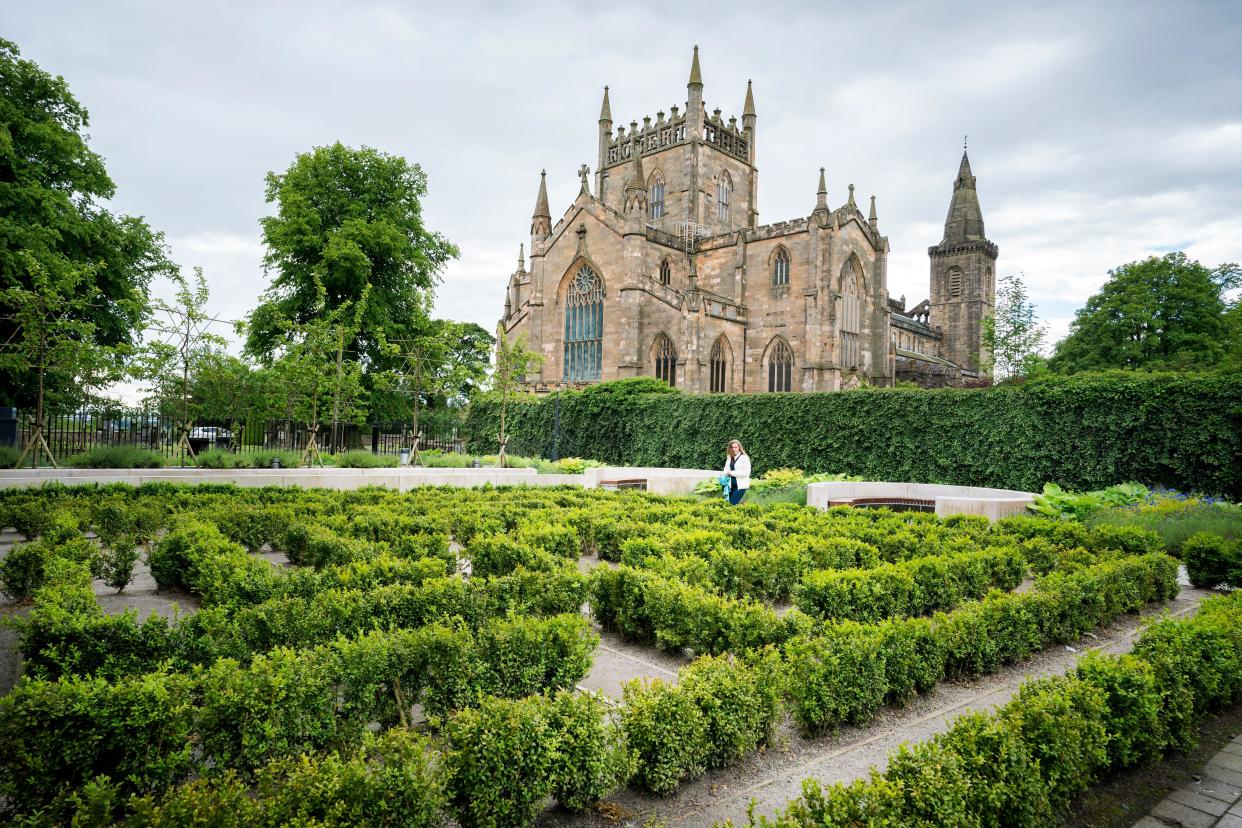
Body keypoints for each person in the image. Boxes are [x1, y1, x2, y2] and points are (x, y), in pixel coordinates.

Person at [723, 439, 751, 505]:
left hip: (740, 486)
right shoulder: (729, 457)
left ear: (739, 448)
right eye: (732, 447)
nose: (734, 449)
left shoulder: (744, 458)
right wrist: (727, 472)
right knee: (727, 505)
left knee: (732, 504)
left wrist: (731, 473)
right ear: (730, 448)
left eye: (736, 447)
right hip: (729, 486)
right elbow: (725, 470)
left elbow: (746, 473)